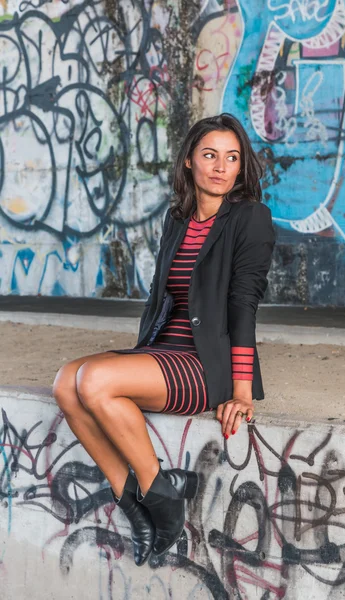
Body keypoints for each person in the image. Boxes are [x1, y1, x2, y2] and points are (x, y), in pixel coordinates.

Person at [52, 113, 275, 567]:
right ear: (189, 162)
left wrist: (242, 390)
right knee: (65, 383)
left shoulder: (250, 218)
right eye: (210, 155)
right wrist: (137, 360)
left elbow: (243, 303)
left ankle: (162, 493)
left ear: (240, 168)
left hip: (203, 365)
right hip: (163, 351)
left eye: (232, 158)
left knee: (93, 382)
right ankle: (131, 502)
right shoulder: (178, 219)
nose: (220, 166)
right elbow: (163, 299)